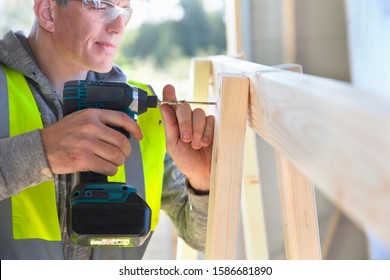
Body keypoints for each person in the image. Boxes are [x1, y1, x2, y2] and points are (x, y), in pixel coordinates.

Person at [0, 0, 214, 259]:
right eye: (101, 4)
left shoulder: (144, 110)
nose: (119, 26)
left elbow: (200, 235)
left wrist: (202, 181)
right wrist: (41, 152)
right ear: (48, 11)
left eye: (124, 10)